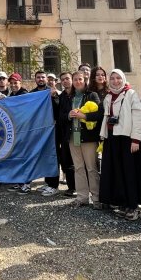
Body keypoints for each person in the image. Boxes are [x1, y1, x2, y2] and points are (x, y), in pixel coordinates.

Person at [98, 69, 141, 220]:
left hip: (126, 137)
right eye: (112, 78)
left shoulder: (130, 94)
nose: (115, 81)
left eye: (118, 78)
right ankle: (123, 203)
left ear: (123, 79)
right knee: (117, 171)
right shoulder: (108, 96)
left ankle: (133, 206)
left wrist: (136, 139)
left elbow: (138, 117)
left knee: (129, 172)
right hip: (112, 138)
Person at [62, 71, 101, 208]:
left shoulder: (92, 95)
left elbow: (98, 114)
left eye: (80, 79)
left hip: (88, 137)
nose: (78, 82)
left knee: (91, 168)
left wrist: (83, 116)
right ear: (72, 82)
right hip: (73, 137)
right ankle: (82, 197)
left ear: (85, 80)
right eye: (75, 79)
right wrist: (68, 115)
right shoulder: (68, 97)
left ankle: (96, 198)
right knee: (78, 168)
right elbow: (61, 115)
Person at [5, 73, 31, 193]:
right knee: (17, 157)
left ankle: (27, 183)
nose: (14, 85)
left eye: (16, 82)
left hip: (25, 132)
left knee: (24, 157)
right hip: (15, 131)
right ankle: (19, 182)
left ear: (20, 83)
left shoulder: (24, 94)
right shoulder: (11, 95)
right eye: (12, 83)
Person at [55, 72, 76, 196]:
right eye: (63, 80)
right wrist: (67, 116)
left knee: (78, 163)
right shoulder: (61, 96)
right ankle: (71, 187)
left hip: (78, 133)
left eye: (67, 79)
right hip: (65, 134)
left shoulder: (79, 94)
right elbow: (60, 116)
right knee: (67, 161)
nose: (65, 81)